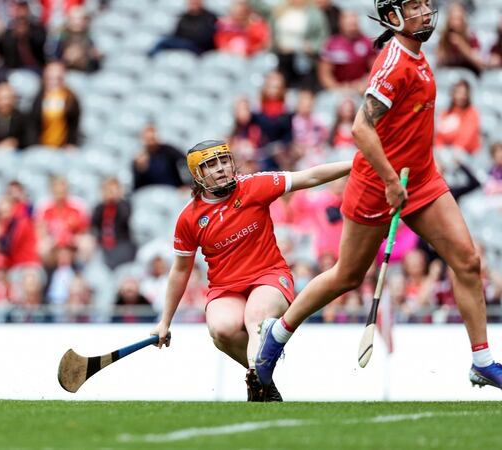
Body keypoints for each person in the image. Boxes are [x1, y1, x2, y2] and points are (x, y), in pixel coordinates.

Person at [255, 0, 502, 392]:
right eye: (414, 6)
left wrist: (412, 171)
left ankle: (482, 361)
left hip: (421, 180)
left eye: (424, 4)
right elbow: (360, 128)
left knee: (468, 262)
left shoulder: (419, 56)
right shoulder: (394, 66)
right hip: (377, 184)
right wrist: (389, 181)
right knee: (347, 276)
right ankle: (277, 334)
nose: (424, 11)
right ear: (393, 18)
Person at [152, 140, 351, 402]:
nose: (221, 168)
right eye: (211, 164)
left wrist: (355, 163)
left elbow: (311, 176)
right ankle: (263, 379)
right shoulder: (189, 218)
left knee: (256, 317)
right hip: (225, 286)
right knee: (222, 330)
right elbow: (180, 271)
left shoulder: (254, 186)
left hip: (268, 275)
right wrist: (165, 321)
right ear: (197, 175)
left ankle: (257, 382)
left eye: (223, 161)